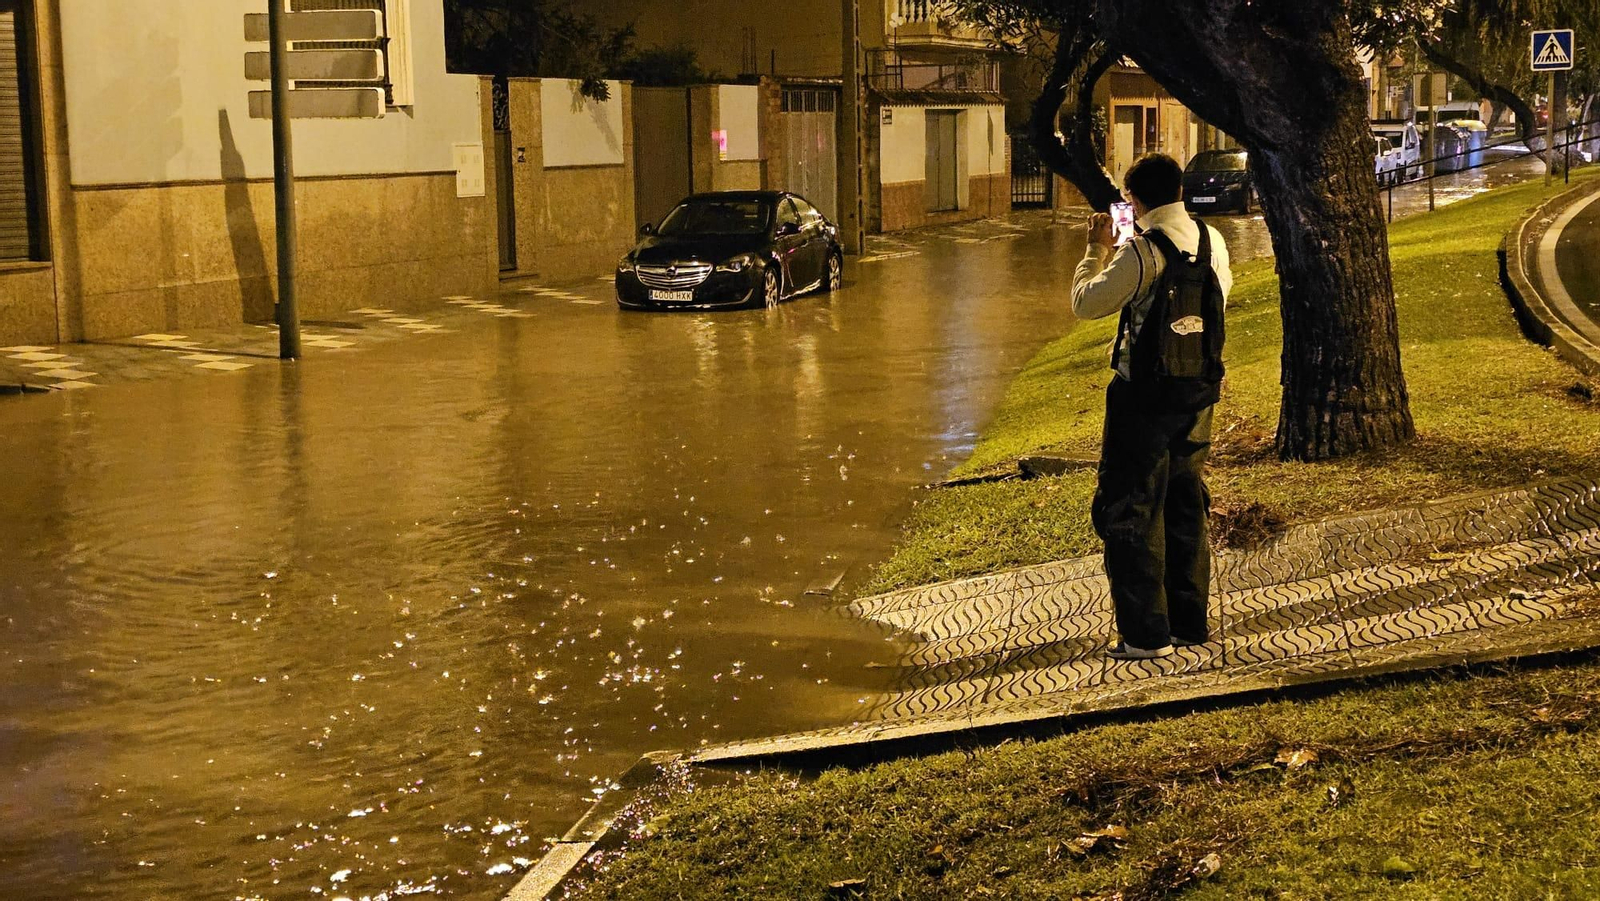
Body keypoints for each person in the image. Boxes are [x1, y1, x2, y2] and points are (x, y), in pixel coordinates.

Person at [1070, 153, 1233, 660]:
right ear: (1179, 190)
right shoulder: (1213, 241)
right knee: (1186, 504)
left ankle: (1145, 636)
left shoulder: (1143, 250)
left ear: (1135, 200)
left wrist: (1094, 252)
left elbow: (1085, 303)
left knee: (1131, 507)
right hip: (1197, 394)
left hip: (1142, 399)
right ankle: (1190, 624)